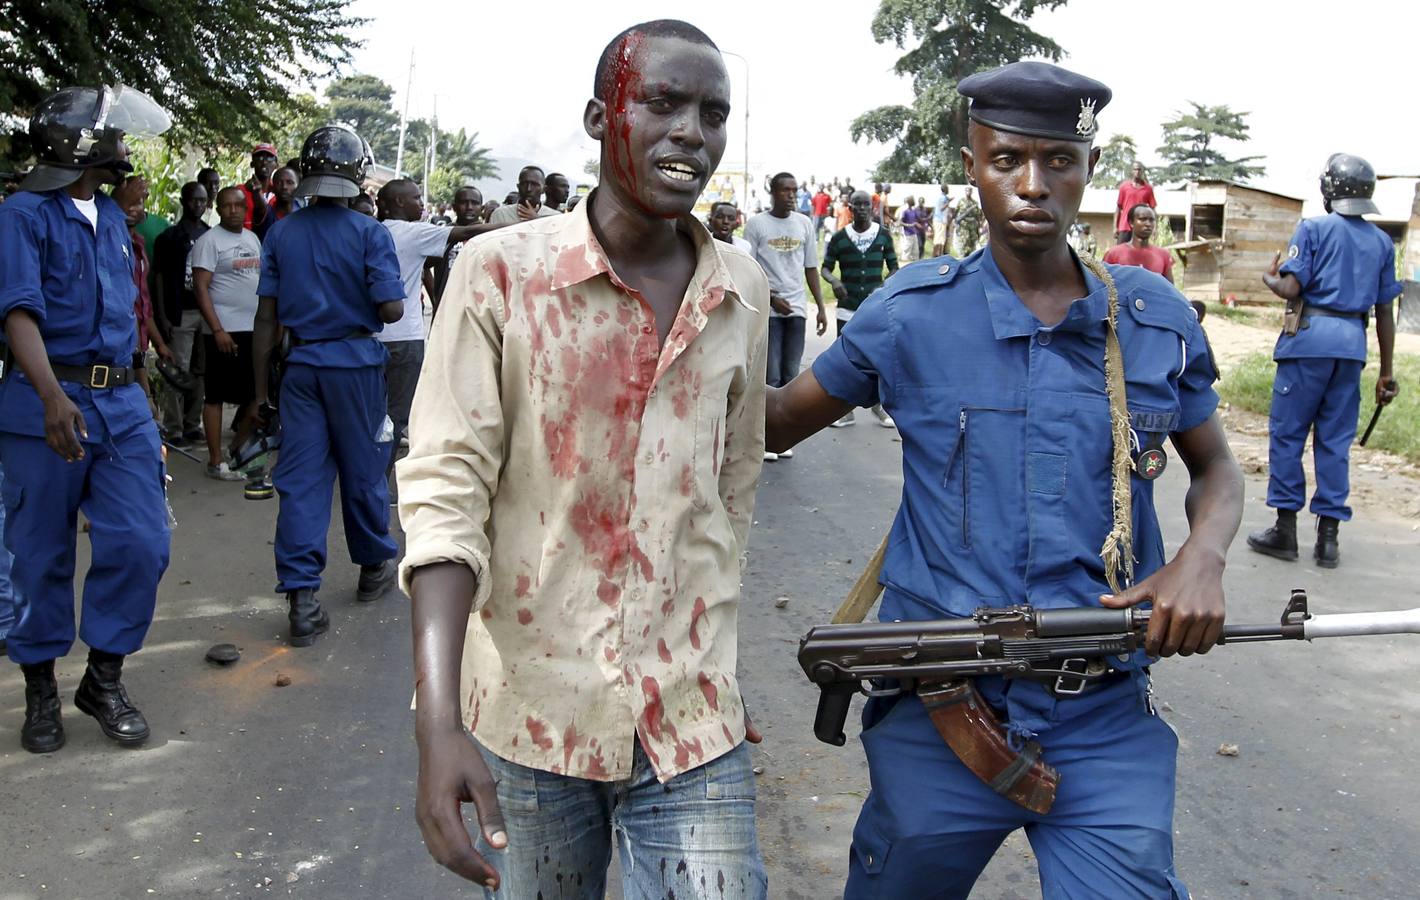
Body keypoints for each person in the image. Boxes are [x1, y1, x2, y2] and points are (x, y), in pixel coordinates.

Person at [764, 61, 1244, 898]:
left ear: (1089, 170)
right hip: (942, 712)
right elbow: (770, 424)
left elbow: (1219, 470)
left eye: (1059, 160)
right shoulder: (909, 313)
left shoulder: (1151, 319)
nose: (1033, 185)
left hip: (1104, 717)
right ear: (971, 166)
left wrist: (1203, 554)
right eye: (1006, 160)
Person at [400, 19, 770, 898]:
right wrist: (438, 724)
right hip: (529, 716)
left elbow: (731, 490)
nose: (691, 130)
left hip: (688, 719)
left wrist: (710, 659)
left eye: (713, 113)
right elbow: (445, 494)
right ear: (603, 116)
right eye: (663, 102)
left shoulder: (741, 288)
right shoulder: (498, 274)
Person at [0, 84, 175, 754]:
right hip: (48, 402)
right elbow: (19, 310)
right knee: (41, 553)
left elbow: (127, 320)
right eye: (116, 137)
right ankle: (41, 685)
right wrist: (49, 395)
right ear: (84, 145)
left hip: (122, 403)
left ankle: (102, 677)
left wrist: (145, 399)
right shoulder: (24, 214)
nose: (127, 149)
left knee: (141, 542)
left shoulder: (115, 224)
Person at [251, 124, 404, 648]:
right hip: (356, 365)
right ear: (358, 174)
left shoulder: (281, 233)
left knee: (300, 480)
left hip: (301, 369)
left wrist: (258, 395)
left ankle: (301, 597)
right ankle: (372, 566)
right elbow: (391, 310)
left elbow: (266, 322)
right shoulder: (370, 233)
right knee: (363, 472)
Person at [1246, 152, 1401, 568]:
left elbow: (1293, 286)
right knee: (1335, 442)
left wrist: (1270, 279)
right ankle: (1328, 540)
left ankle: (1285, 530)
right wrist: (1386, 370)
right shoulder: (1382, 242)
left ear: (1329, 189)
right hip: (1352, 348)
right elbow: (1385, 310)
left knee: (1289, 434)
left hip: (1308, 345)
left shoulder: (1313, 228)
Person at [374, 178, 502, 450]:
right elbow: (472, 231)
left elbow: (427, 264)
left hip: (371, 336)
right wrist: (528, 224)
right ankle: (377, 487)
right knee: (394, 418)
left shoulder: (371, 231)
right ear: (399, 202)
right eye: (416, 198)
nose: (421, 203)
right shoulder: (415, 232)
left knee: (370, 415)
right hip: (405, 340)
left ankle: (363, 483)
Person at [744, 171, 826, 461]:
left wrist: (820, 307)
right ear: (773, 193)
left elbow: (811, 268)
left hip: (797, 308)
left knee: (792, 374)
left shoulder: (804, 224)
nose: (791, 195)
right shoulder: (757, 225)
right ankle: (764, 437)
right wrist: (771, 299)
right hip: (770, 309)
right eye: (785, 190)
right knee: (772, 374)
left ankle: (783, 435)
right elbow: (748, 268)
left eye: (794, 190)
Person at [191, 186, 262, 480]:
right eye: (226, 206)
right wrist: (217, 329)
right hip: (223, 331)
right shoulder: (209, 241)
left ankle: (236, 449)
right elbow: (200, 287)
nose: (233, 210)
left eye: (238, 205)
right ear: (218, 209)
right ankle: (215, 461)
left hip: (253, 330)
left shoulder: (253, 238)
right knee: (216, 396)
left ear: (246, 208)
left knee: (256, 395)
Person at [821, 189, 897, 429]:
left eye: (866, 204)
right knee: (844, 360)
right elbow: (825, 268)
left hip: (874, 308)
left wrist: (885, 287)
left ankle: (879, 407)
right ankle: (845, 411)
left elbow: (894, 267)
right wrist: (834, 281)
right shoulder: (839, 238)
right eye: (857, 205)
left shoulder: (883, 236)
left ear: (872, 208)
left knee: (879, 358)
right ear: (850, 209)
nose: (862, 208)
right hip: (847, 307)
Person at [152, 181, 210, 445]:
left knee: (201, 371)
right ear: (184, 201)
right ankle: (174, 427)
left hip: (207, 312)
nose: (198, 204)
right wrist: (162, 316)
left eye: (203, 200)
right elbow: (159, 278)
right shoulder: (170, 237)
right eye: (193, 199)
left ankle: (192, 424)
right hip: (180, 312)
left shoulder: (211, 235)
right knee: (177, 370)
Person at [112, 176, 174, 417]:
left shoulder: (138, 245)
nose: (137, 209)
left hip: (137, 345)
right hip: (120, 347)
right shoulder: (109, 243)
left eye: (142, 202)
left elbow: (143, 306)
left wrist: (159, 344)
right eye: (132, 202)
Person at [433, 185, 485, 305]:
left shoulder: (489, 236)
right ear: (454, 207)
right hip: (447, 306)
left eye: (474, 203)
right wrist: (435, 298)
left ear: (481, 208)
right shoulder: (443, 234)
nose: (469, 207)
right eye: (464, 203)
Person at [1103, 204, 1173, 282]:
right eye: (1143, 219)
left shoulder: (1163, 255)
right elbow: (1101, 286)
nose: (1148, 224)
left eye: (1151, 220)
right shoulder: (1113, 254)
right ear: (1131, 222)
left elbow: (1170, 291)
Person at [488, 166, 558, 223]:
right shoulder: (500, 214)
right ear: (518, 187)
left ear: (543, 190)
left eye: (534, 184)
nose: (529, 189)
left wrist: (537, 221)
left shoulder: (555, 217)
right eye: (524, 184)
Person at [255, 166, 302, 241]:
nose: (284, 187)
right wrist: (256, 192)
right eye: (279, 183)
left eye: (289, 182)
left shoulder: (304, 214)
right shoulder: (267, 215)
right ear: (273, 188)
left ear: (298, 186)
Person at [1114, 161, 1156, 245]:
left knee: (1139, 254)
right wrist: (1115, 227)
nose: (1137, 172)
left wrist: (1154, 227)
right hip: (1125, 226)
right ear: (1132, 171)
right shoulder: (1124, 187)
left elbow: (1153, 209)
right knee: (1121, 253)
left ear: (1142, 172)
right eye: (1135, 169)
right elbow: (1118, 208)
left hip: (1141, 227)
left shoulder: (1148, 189)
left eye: (1139, 170)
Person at [240, 142, 278, 232]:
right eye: (259, 158)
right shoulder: (240, 192)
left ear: (276, 165)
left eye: (269, 158)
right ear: (252, 163)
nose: (264, 162)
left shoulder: (280, 192)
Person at [954, 187, 982, 256]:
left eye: (969, 191)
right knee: (964, 241)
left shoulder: (975, 203)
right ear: (965, 192)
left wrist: (979, 224)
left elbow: (978, 214)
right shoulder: (961, 201)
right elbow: (956, 212)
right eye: (967, 191)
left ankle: (970, 256)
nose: (968, 192)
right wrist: (955, 221)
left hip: (972, 224)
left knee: (972, 241)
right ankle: (963, 256)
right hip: (964, 225)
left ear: (971, 192)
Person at [897, 196, 922, 262]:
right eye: (912, 200)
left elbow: (919, 219)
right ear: (910, 202)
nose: (914, 201)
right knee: (907, 251)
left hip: (914, 233)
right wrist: (910, 225)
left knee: (916, 252)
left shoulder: (914, 211)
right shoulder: (905, 212)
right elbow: (900, 222)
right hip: (908, 234)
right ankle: (903, 263)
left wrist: (917, 224)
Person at [933, 184, 954, 257]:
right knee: (939, 239)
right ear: (945, 190)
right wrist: (948, 202)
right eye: (947, 189)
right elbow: (941, 208)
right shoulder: (942, 198)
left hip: (942, 221)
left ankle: (939, 254)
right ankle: (936, 255)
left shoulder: (944, 198)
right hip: (940, 220)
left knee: (942, 238)